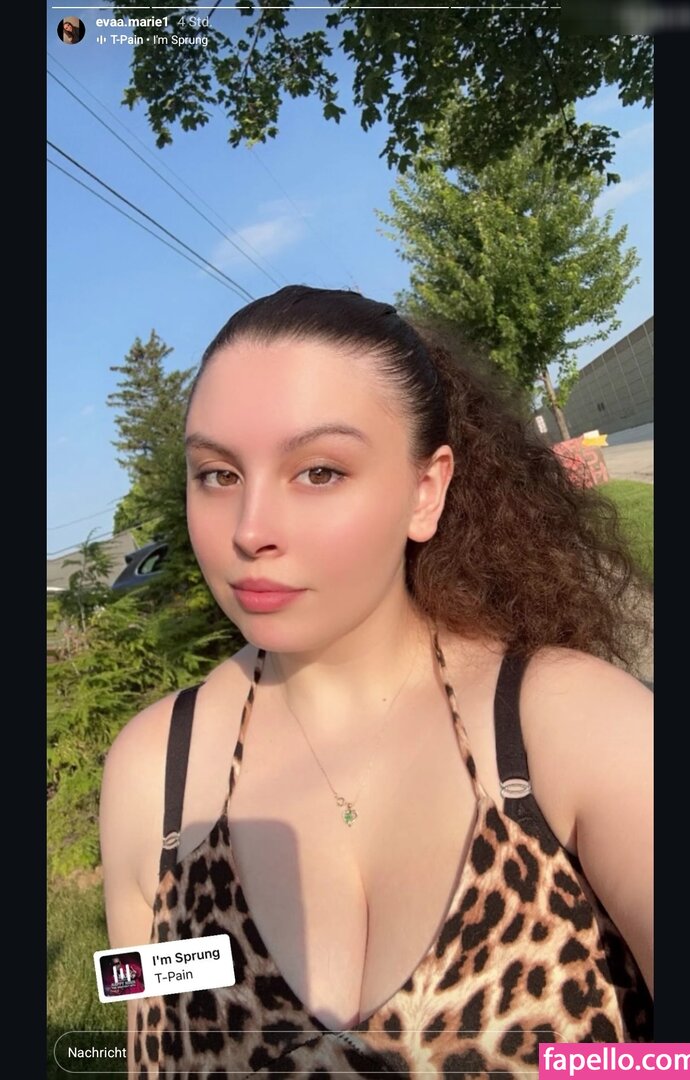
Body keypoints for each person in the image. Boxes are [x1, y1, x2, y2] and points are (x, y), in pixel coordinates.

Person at [100, 286, 653, 1078]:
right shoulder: (153, 773)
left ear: (426, 491)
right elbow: (149, 1040)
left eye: (318, 471)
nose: (250, 530)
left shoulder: (574, 729)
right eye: (217, 474)